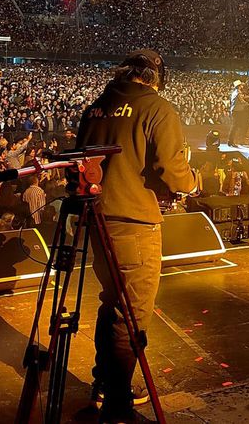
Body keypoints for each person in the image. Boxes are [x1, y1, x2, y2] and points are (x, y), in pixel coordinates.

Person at [76, 48, 197, 422]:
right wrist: (193, 182)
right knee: (130, 317)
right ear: (156, 77)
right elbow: (173, 171)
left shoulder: (96, 107)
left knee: (111, 303)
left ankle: (104, 383)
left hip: (99, 221)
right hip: (135, 224)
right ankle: (117, 402)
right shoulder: (157, 108)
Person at [227, 81, 249, 146]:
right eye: (241, 85)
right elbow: (241, 101)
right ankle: (231, 141)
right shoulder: (238, 92)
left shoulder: (234, 92)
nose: (242, 86)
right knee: (235, 126)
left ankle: (237, 141)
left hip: (236, 111)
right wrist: (248, 104)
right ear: (239, 86)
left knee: (237, 126)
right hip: (237, 111)